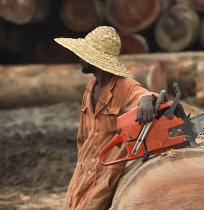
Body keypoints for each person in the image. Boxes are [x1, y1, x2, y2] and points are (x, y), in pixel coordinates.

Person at [55, 26, 157, 210]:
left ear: (95, 60)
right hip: (84, 167)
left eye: (83, 54)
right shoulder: (91, 86)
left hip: (107, 170)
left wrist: (146, 100)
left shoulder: (124, 85)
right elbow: (83, 134)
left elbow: (142, 94)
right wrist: (82, 160)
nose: (79, 58)